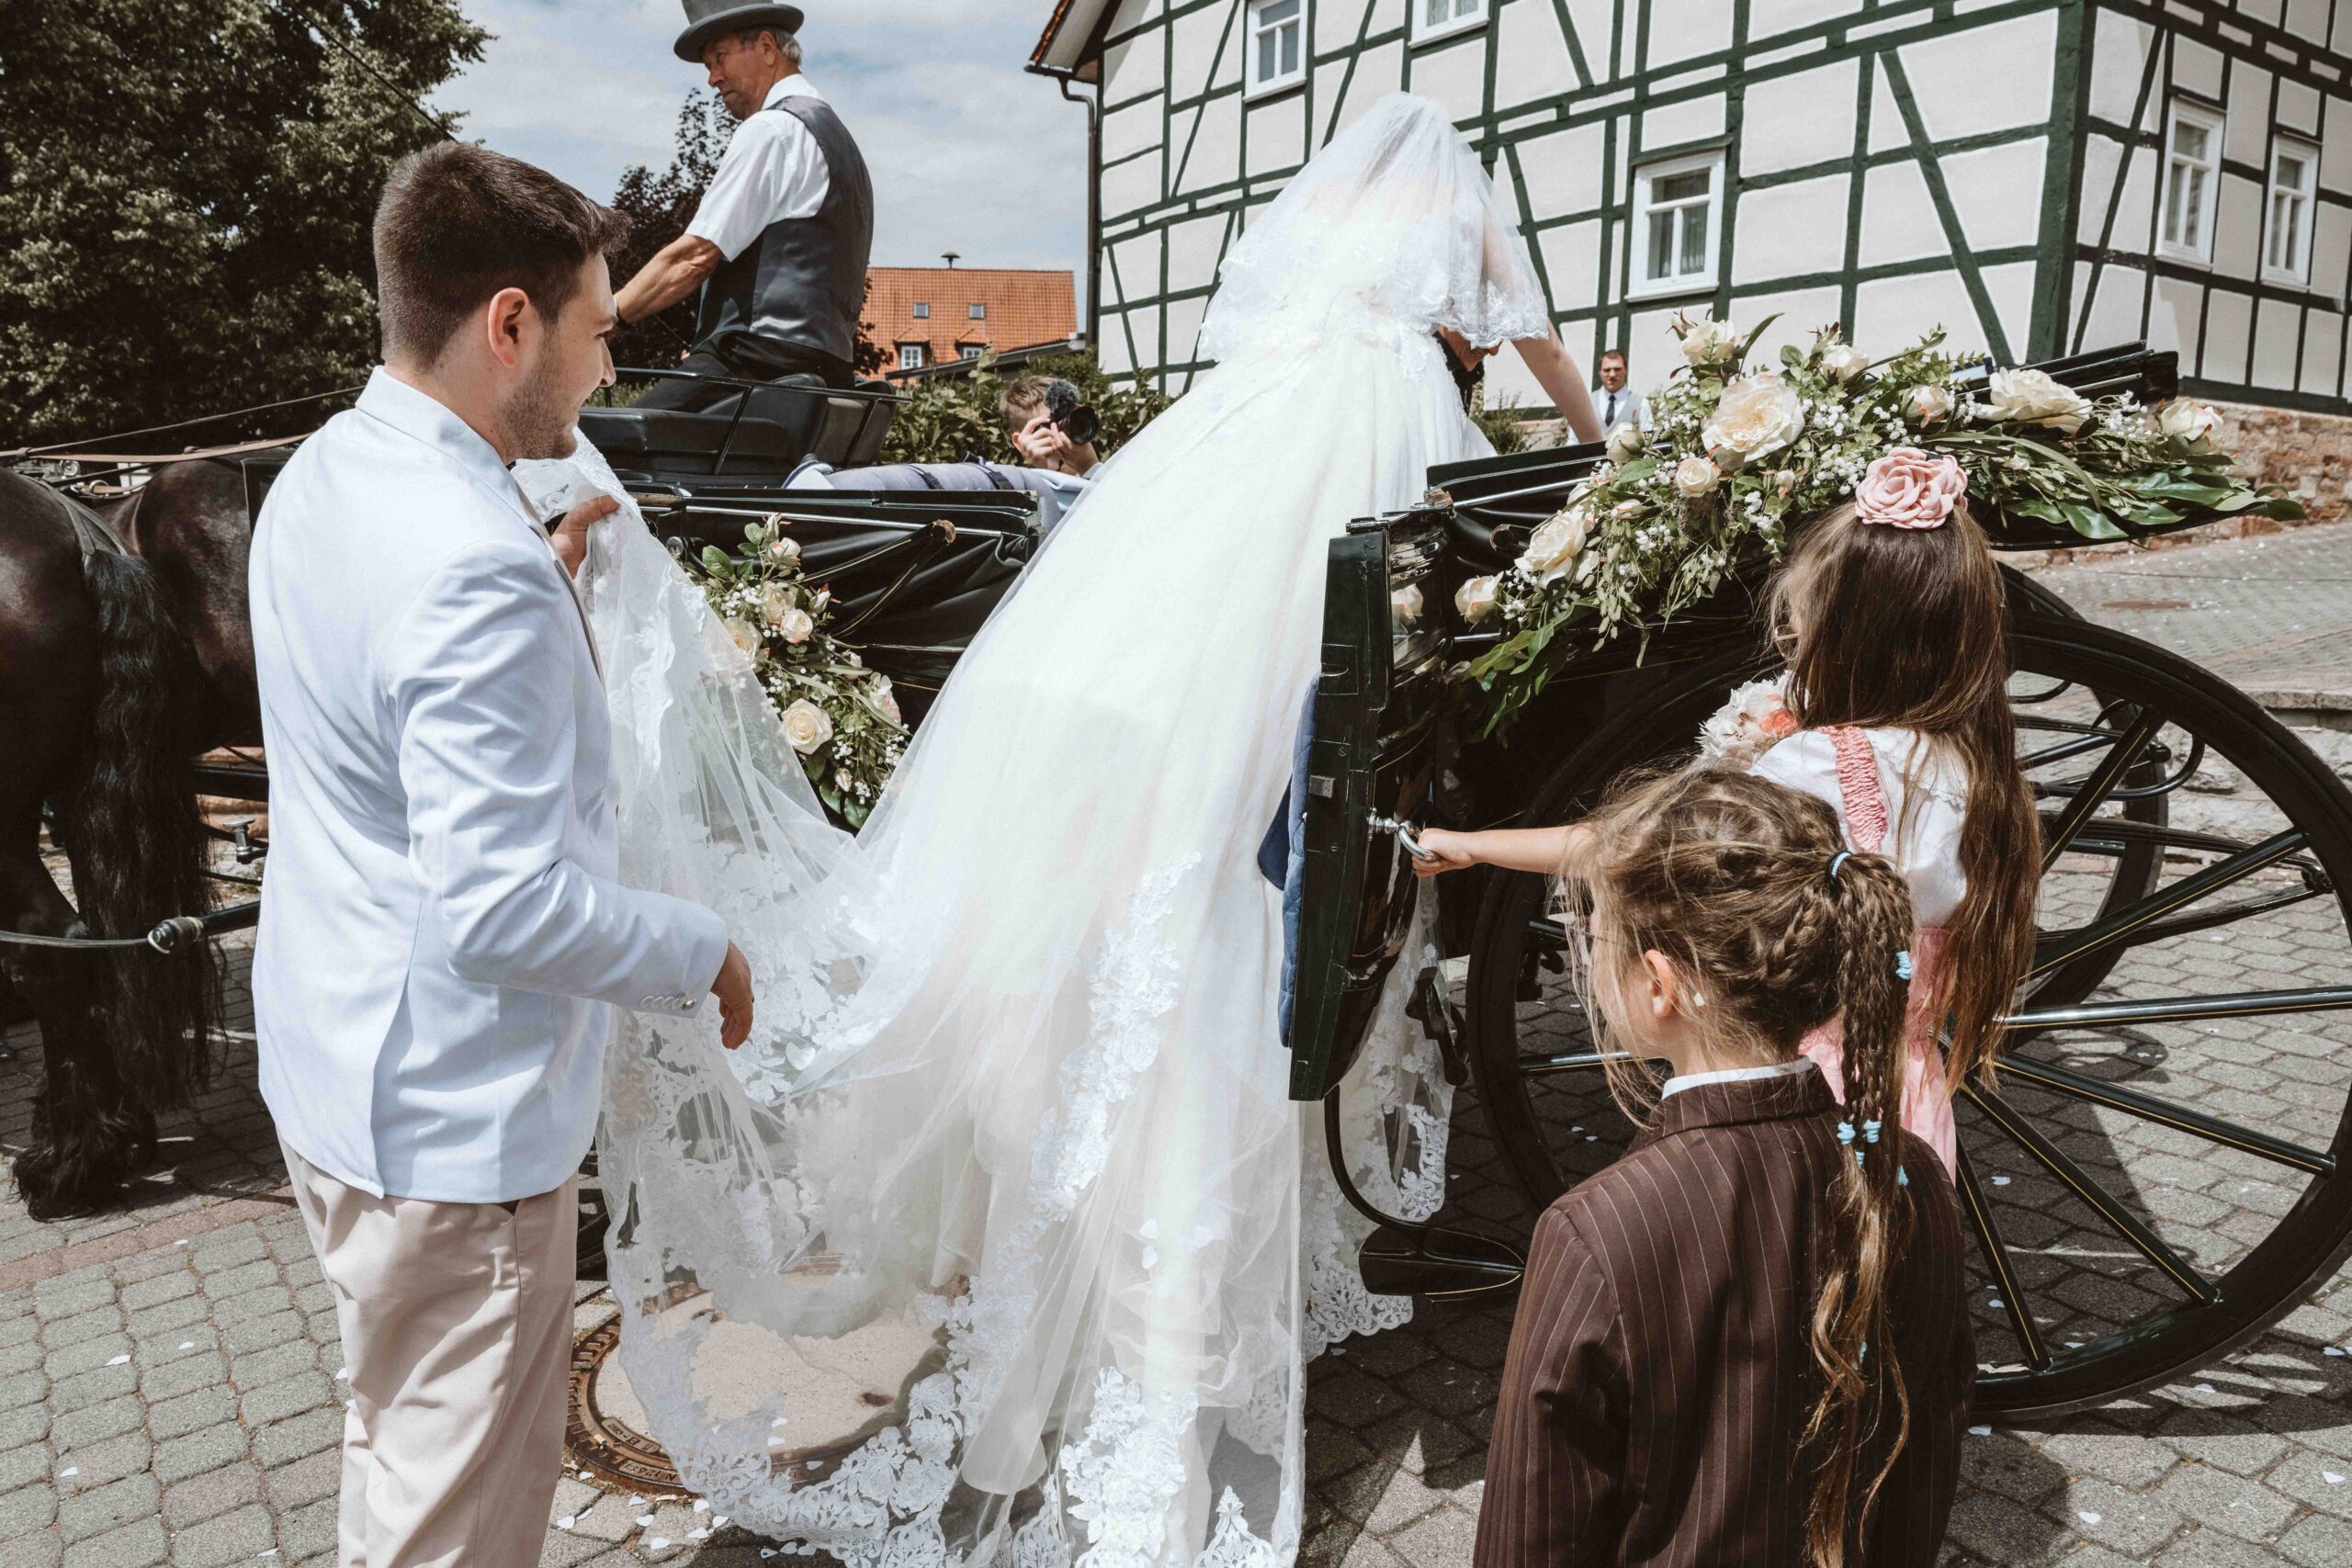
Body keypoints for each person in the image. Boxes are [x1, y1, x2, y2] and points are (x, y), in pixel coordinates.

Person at [528, 92, 1606, 1563]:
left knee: (1196, 748)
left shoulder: (1316, 232)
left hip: (1237, 447)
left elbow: (1246, 327)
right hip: (1370, 455)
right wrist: (1601, 448)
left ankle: (1112, 1141)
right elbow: (1536, 337)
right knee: (1310, 718)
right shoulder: (1458, 216)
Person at [247, 143, 754, 1566]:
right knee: (459, 1521)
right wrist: (698, 943)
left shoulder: (327, 473)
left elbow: (385, 719)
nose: (604, 374)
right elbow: (502, 906)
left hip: (334, 1062)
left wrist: (549, 585)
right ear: (511, 323)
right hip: (449, 1131)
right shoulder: (473, 559)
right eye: (597, 335)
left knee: (395, 1441)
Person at [1413, 448, 2037, 1178]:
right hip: (1912, 1103)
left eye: (1798, 637)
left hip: (1797, 1109)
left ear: (1847, 640)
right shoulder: (1980, 773)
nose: (1791, 654)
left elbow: (1634, 845)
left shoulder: (1818, 766)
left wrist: (1478, 843)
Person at [1472, 766, 1974, 1568]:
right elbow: (1926, 1460)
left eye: (1602, 942)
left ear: (1661, 985)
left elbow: (1532, 1535)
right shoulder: (1912, 1175)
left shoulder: (1596, 1231)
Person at [617, 3, 872, 407]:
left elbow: (694, 258)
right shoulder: (837, 139)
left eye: (720, 58)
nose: (713, 77)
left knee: (610, 448)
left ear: (768, 47)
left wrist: (609, 317)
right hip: (826, 372)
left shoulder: (773, 128)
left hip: (758, 367)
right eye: (708, 64)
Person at [1594, 345, 1648, 436]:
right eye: (1607, 370)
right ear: (1600, 372)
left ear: (1626, 370)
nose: (1612, 374)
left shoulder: (1641, 404)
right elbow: (1573, 442)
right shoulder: (1587, 403)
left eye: (1617, 369)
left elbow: (1648, 442)